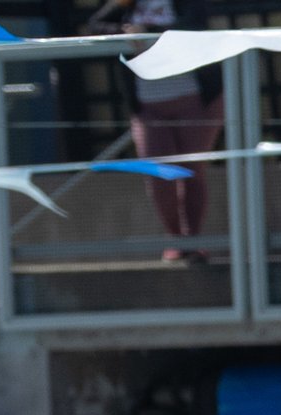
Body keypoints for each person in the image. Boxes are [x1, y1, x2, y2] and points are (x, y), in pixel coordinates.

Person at [87, 0, 221, 263]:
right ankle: (175, 238)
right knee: (157, 175)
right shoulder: (125, 4)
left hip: (193, 98)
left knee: (192, 171)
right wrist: (125, 30)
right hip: (148, 105)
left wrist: (147, 29)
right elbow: (94, 26)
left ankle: (193, 241)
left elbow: (195, 26)